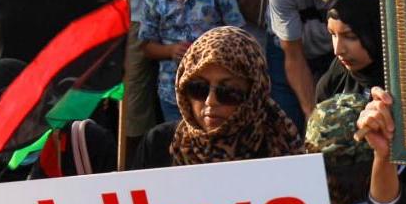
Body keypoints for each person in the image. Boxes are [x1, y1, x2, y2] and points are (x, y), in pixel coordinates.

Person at [130, 25, 304, 171]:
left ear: (254, 94)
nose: (210, 101)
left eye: (228, 92)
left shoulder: (281, 148)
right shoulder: (159, 144)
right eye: (198, 88)